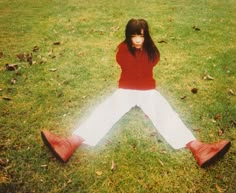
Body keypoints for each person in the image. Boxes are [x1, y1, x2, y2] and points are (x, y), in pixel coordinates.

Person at [41, 18, 231, 168]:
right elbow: (123, 62)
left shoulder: (150, 50)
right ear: (128, 36)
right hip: (126, 89)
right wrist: (132, 50)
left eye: (141, 36)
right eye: (134, 36)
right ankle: (69, 144)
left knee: (166, 113)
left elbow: (153, 60)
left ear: (146, 36)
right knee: (105, 111)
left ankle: (198, 148)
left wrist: (144, 49)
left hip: (148, 90)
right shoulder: (123, 49)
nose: (138, 40)